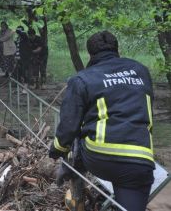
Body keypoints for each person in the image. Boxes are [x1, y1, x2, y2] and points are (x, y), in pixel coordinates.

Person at [49, 31, 154, 211]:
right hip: (140, 159)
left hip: (100, 158)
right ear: (116, 49)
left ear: (90, 53)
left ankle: (70, 169)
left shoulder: (82, 79)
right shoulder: (141, 71)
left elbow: (68, 126)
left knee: (79, 130)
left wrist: (56, 151)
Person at [15, 25, 31, 93]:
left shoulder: (25, 37)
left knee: (25, 73)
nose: (18, 32)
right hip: (18, 57)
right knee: (19, 73)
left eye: (19, 30)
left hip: (25, 58)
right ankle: (20, 87)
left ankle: (25, 88)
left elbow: (22, 33)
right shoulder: (18, 38)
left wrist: (19, 30)